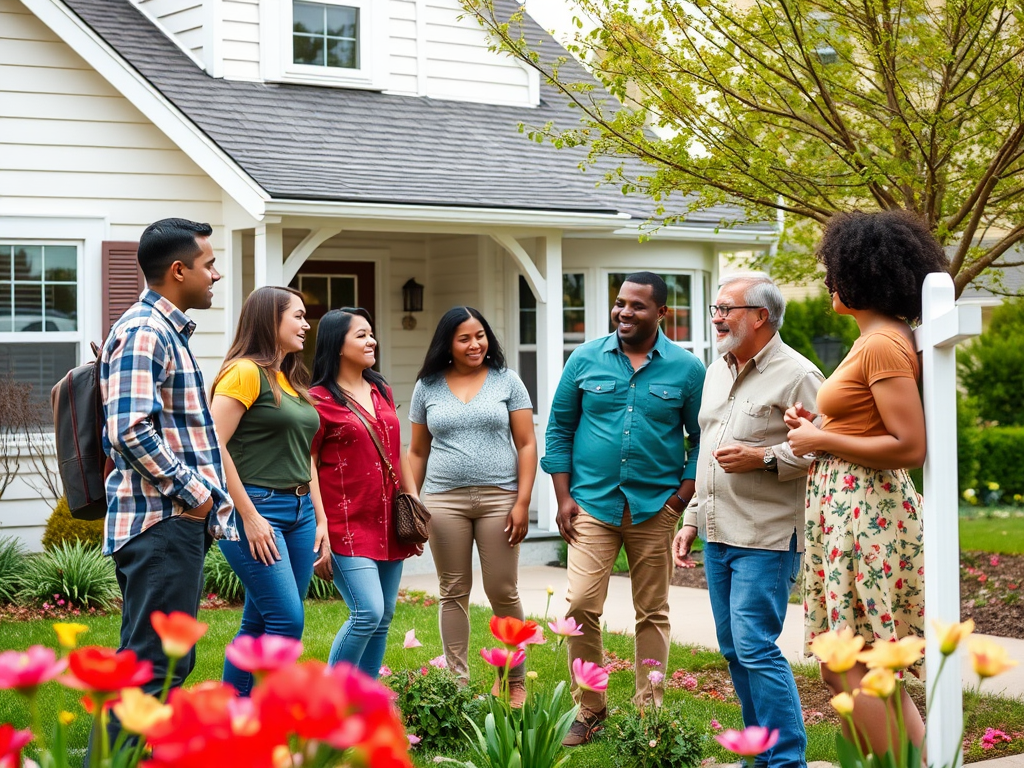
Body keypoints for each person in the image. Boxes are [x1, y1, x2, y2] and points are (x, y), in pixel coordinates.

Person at [784, 210, 948, 757]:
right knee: (847, 663)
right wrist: (819, 431)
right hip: (849, 509)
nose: (829, 280)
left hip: (866, 513)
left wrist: (820, 441)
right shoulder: (877, 339)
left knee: (858, 662)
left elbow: (908, 444)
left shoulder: (882, 344)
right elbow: (869, 424)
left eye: (836, 269)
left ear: (866, 275)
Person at [542, 271, 704, 746]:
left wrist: (681, 497)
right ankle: (590, 707)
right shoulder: (586, 359)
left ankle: (648, 713)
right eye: (620, 304)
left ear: (661, 313)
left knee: (651, 611)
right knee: (578, 607)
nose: (624, 312)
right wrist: (563, 496)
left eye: (636, 305)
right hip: (592, 504)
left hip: (656, 507)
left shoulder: (687, 369)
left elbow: (701, 440)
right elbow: (559, 430)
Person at [673, 274, 823, 768]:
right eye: (715, 308)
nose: (716, 316)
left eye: (726, 308)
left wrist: (763, 457)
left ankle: (786, 760)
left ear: (761, 316)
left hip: (768, 535)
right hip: (718, 532)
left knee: (756, 647)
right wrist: (692, 518)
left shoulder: (799, 373)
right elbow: (705, 453)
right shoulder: (715, 371)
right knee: (735, 649)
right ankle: (759, 753)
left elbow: (823, 449)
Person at [99, 218, 236, 732]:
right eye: (209, 264)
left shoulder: (161, 330)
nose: (216, 275)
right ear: (178, 271)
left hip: (171, 522)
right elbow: (129, 430)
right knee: (151, 671)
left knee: (155, 667)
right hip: (162, 522)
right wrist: (195, 494)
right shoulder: (145, 331)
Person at [407, 307, 537, 705]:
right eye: (464, 338)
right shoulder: (427, 386)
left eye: (480, 335)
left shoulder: (507, 381)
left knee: (502, 589)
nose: (475, 344)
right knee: (453, 590)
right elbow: (416, 451)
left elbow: (527, 443)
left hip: (500, 498)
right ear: (448, 342)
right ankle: (457, 682)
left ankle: (514, 679)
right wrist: (412, 497)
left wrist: (522, 502)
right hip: (444, 501)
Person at [210, 286, 327, 696]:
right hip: (258, 510)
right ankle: (267, 722)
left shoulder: (288, 377)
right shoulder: (244, 372)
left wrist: (320, 518)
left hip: (299, 514)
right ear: (269, 320)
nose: (305, 324)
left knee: (260, 621)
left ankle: (235, 721)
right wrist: (249, 517)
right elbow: (214, 445)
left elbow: (304, 453)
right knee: (286, 621)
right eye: (297, 315)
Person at [309, 308, 420, 678]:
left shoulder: (381, 388)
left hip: (388, 518)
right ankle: (331, 699)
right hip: (345, 521)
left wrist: (413, 499)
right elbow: (308, 463)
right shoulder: (318, 399)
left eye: (371, 333)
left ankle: (365, 701)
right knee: (367, 611)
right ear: (337, 345)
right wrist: (319, 522)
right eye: (361, 335)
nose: (371, 341)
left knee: (384, 616)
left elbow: (397, 449)